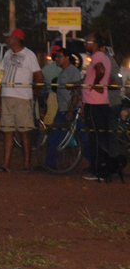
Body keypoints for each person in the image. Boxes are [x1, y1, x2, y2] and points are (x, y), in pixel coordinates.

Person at [0, 28, 42, 172]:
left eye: (9, 38)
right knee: (7, 131)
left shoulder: (29, 55)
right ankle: (5, 165)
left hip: (22, 98)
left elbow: (39, 78)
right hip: (7, 96)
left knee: (24, 132)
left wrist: (31, 94)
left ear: (15, 39)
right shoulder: (8, 54)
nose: (7, 40)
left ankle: (27, 164)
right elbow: (2, 76)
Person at [45, 48, 83, 169]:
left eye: (59, 56)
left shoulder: (73, 71)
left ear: (67, 58)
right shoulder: (63, 72)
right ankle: (50, 164)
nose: (57, 59)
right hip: (62, 110)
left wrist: (71, 110)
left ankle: (95, 164)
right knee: (55, 137)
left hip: (71, 110)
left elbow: (77, 92)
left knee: (83, 139)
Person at [82, 33, 111, 180]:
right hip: (101, 103)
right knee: (100, 137)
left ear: (94, 44)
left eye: (87, 42)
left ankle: (97, 170)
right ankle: (103, 168)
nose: (85, 44)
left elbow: (100, 71)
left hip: (94, 103)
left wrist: (96, 84)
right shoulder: (105, 57)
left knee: (95, 138)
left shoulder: (97, 57)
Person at [41, 45, 63, 125]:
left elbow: (41, 85)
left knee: (50, 121)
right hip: (63, 97)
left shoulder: (45, 69)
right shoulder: (64, 69)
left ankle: (47, 136)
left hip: (50, 96)